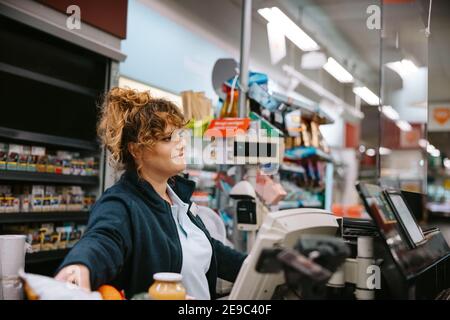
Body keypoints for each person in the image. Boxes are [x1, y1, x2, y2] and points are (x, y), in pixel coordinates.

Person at [55, 87, 246, 299]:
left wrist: (259, 265)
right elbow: (103, 239)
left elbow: (211, 251)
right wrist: (78, 267)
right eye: (167, 138)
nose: (181, 144)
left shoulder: (178, 200)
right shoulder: (122, 203)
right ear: (136, 150)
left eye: (179, 135)